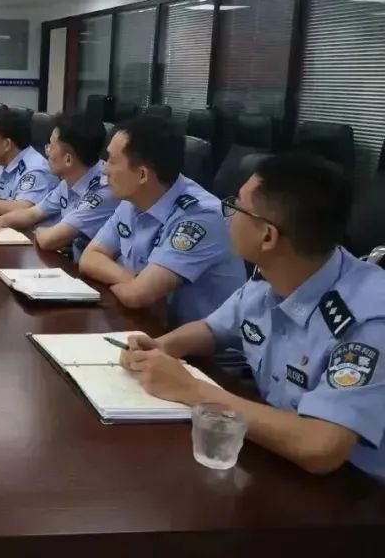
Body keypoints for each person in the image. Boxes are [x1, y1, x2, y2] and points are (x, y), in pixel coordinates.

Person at [119, 154, 385, 479]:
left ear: (267, 236)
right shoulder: (275, 275)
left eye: (237, 206)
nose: (228, 214)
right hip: (275, 456)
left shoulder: (369, 319)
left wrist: (192, 390)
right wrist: (161, 347)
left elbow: (320, 447)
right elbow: (213, 329)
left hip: (354, 490)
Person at [81, 115, 245, 323]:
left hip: (198, 341)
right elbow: (90, 257)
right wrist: (131, 281)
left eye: (112, 161)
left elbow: (136, 296)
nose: (104, 170)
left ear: (142, 175)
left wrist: (135, 288)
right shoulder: (133, 199)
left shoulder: (201, 217)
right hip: (150, 325)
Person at [0, 113, 119, 256]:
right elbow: (33, 213)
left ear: (68, 159)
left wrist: (38, 229)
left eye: (51, 146)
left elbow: (49, 240)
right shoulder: (70, 179)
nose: (47, 153)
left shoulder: (104, 191)